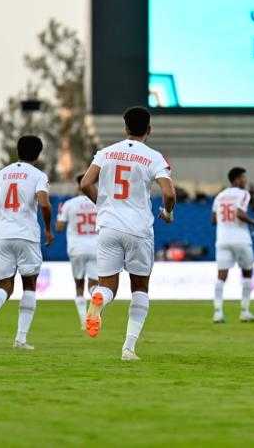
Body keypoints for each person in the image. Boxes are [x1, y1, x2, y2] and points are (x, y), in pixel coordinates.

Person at [79, 106, 176, 361]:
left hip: (109, 227)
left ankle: (99, 297)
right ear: (149, 130)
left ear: (125, 128)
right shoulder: (153, 157)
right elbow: (169, 193)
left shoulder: (106, 152)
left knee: (107, 285)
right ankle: (128, 348)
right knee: (140, 288)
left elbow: (85, 183)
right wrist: (167, 212)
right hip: (138, 230)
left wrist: (102, 206)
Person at [0, 135, 53, 350]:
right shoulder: (38, 175)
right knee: (29, 285)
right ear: (38, 154)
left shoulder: (0, 175)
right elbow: (45, 204)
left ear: (18, 150)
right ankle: (20, 339)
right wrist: (47, 229)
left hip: (2, 236)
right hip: (26, 234)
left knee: (5, 286)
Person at [211, 167, 254, 323]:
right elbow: (239, 213)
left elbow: (213, 219)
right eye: (243, 177)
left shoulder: (219, 196)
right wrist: (252, 221)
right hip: (241, 239)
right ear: (237, 179)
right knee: (247, 273)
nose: (245, 180)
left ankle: (218, 312)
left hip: (222, 239)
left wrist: (225, 223)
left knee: (221, 276)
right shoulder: (244, 193)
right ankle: (244, 311)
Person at [56, 174, 99, 330]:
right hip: (96, 247)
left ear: (78, 186)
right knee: (94, 284)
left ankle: (83, 321)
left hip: (76, 248)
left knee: (79, 285)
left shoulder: (69, 204)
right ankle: (95, 306)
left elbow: (59, 228)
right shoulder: (100, 202)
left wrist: (60, 214)